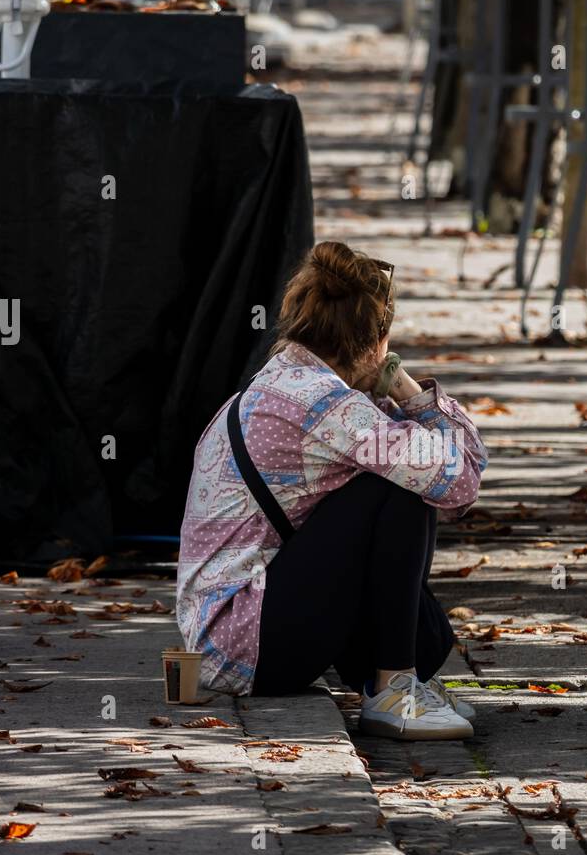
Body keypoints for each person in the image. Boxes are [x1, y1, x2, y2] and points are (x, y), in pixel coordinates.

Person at [176, 242, 488, 740]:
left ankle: (398, 678)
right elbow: (461, 480)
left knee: (428, 634)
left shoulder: (287, 382)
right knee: (400, 486)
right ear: (373, 342)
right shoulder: (329, 407)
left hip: (225, 636)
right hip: (247, 645)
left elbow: (453, 478)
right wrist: (407, 389)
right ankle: (392, 690)